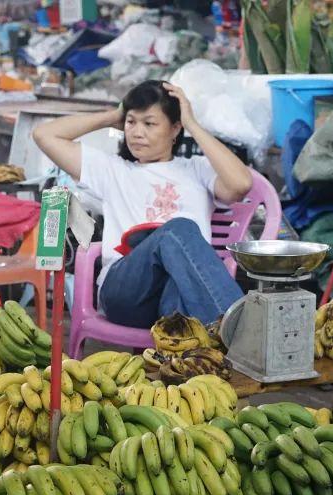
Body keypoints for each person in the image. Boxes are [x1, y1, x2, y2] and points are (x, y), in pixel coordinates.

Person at [32, 80, 253, 328]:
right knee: (177, 229)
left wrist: (193, 124)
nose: (137, 132)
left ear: (175, 128)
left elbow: (241, 183)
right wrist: (113, 115)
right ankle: (244, 331)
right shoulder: (113, 170)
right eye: (131, 122)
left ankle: (191, 356)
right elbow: (44, 135)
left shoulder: (197, 169)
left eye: (149, 123)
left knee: (179, 293)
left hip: (177, 293)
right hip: (126, 292)